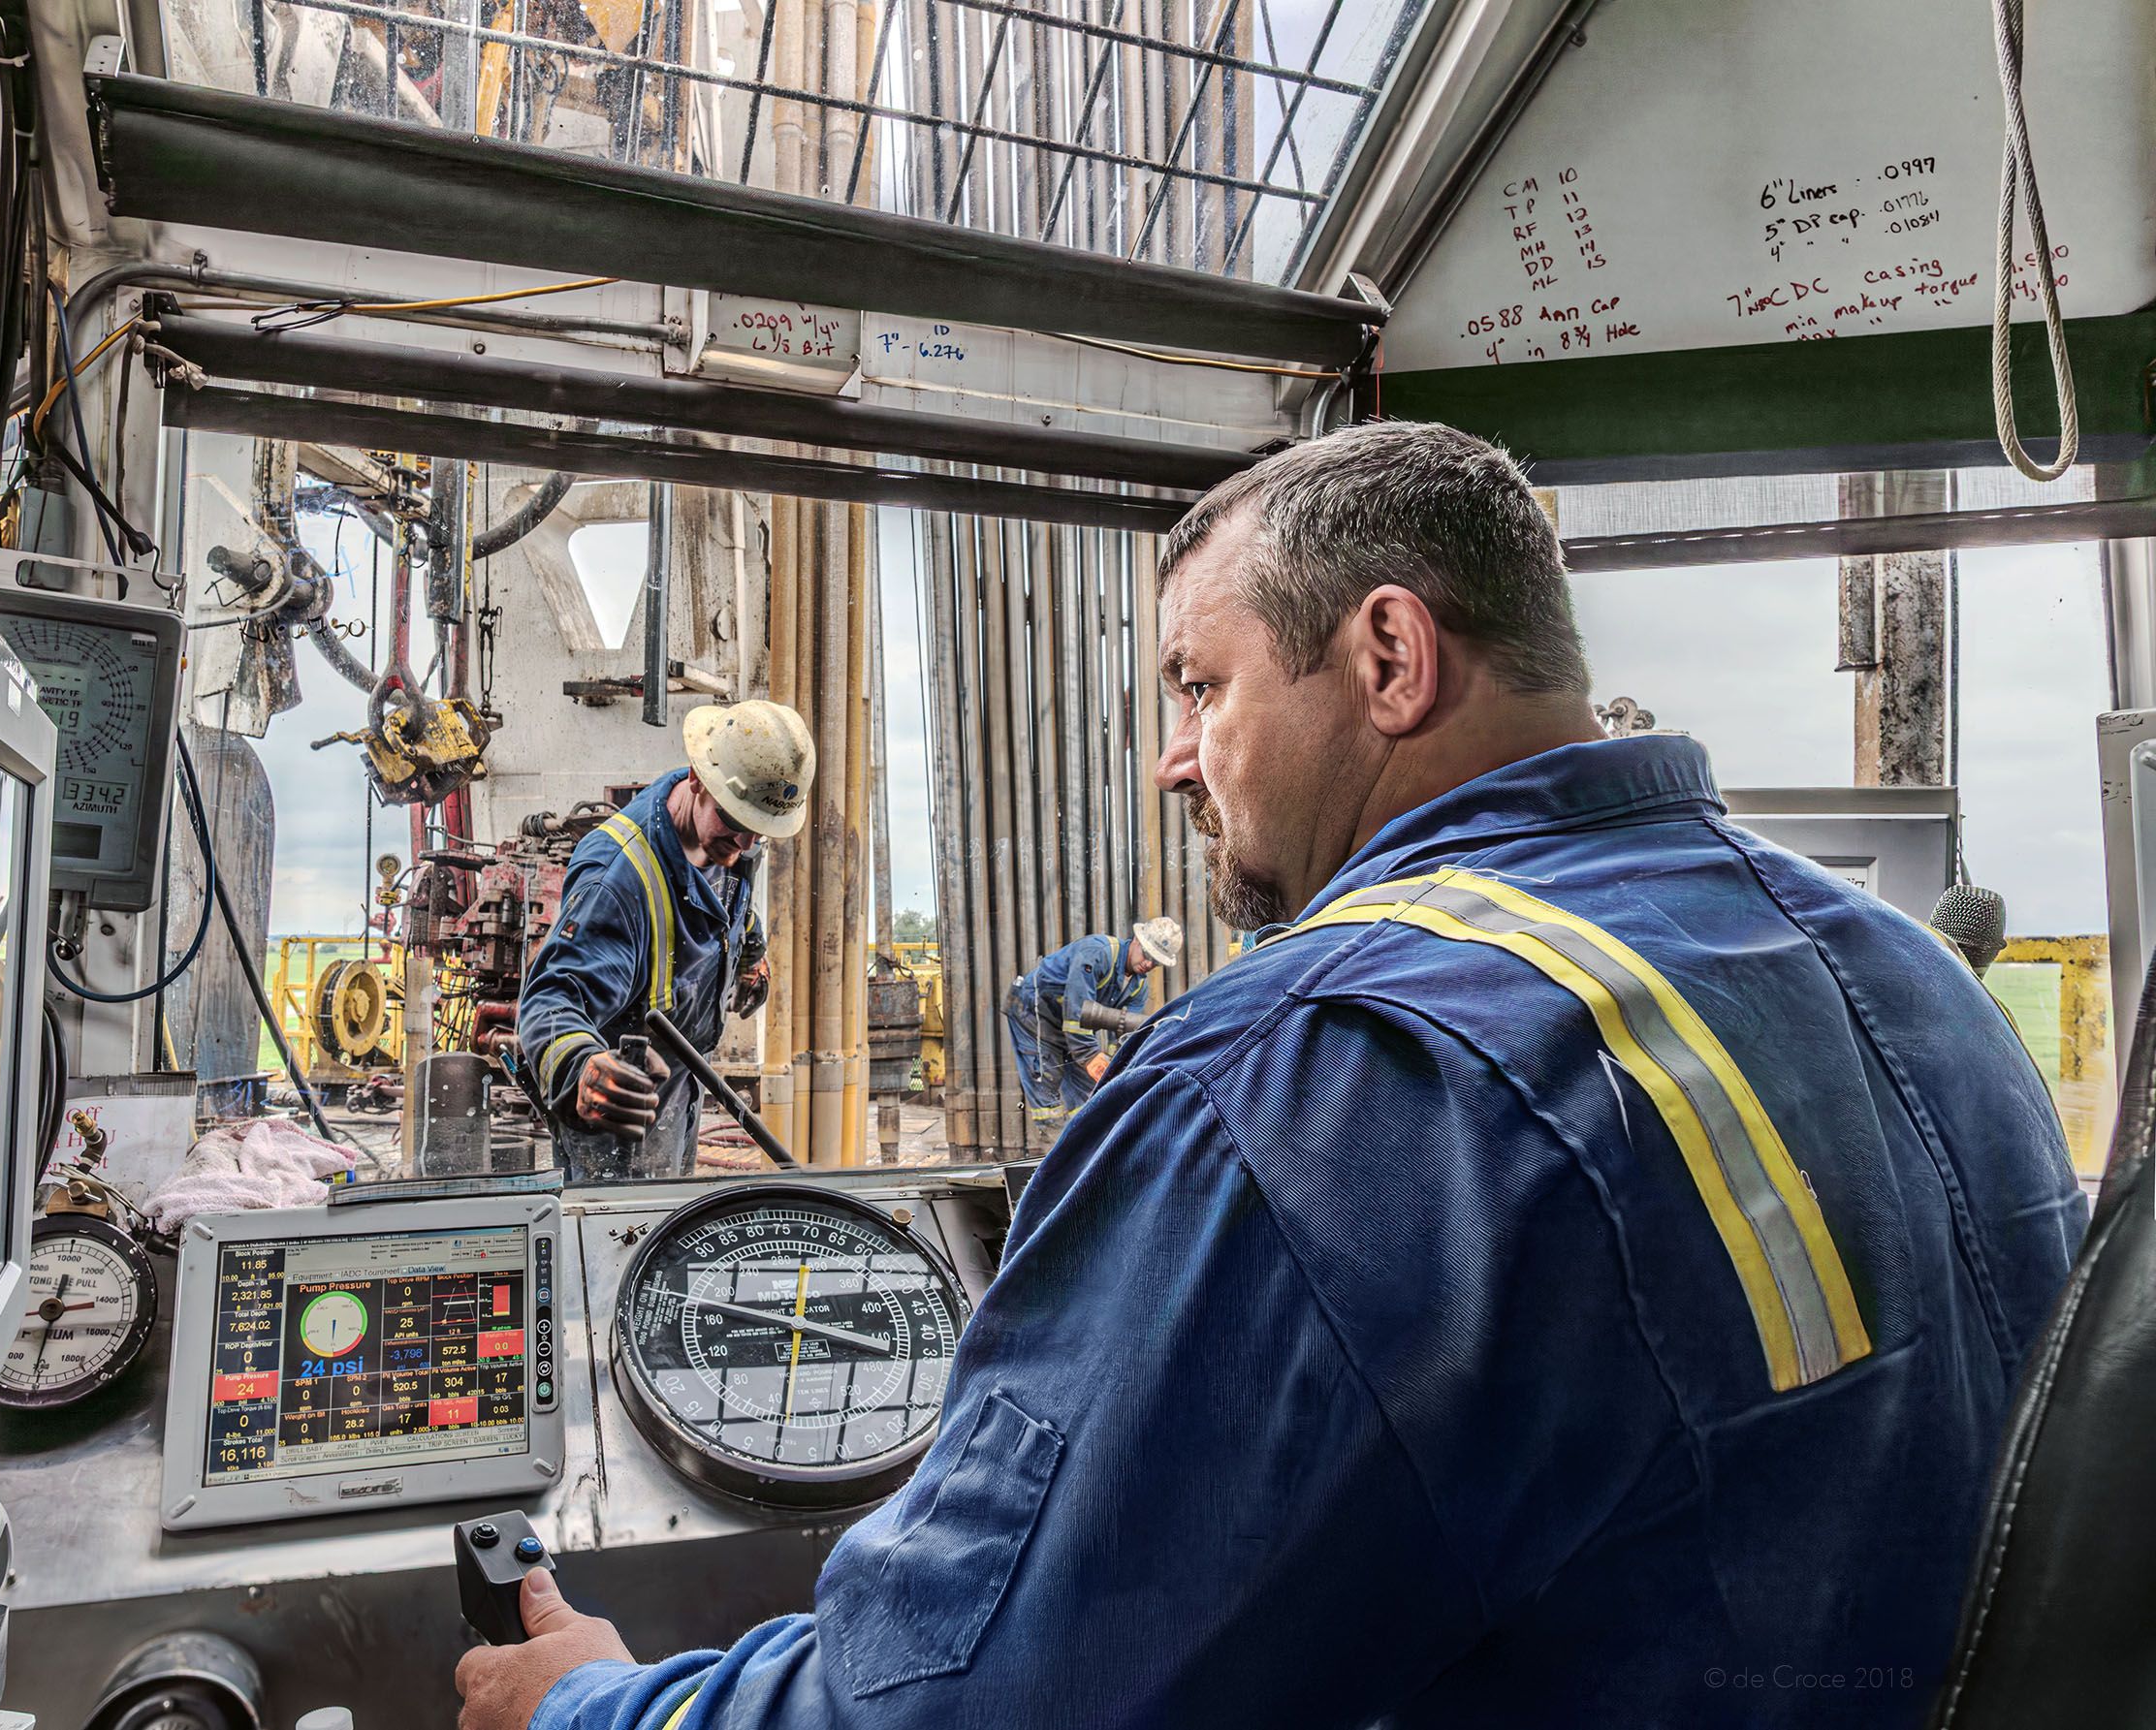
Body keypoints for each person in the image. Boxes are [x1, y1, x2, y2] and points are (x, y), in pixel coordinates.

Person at [457, 424, 2084, 1728]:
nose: (1172, 754)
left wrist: (598, 1705)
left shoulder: (1302, 1081)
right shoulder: (1911, 979)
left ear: (1387, 657)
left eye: (1200, 685)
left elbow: (970, 1693)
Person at [514, 699, 813, 1184]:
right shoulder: (617, 880)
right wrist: (582, 1068)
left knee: (673, 1239)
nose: (744, 848)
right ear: (697, 778)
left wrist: (750, 957)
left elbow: (733, 910)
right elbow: (551, 999)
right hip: (619, 1113)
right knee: (617, 1250)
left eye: (759, 834)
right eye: (736, 823)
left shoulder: (732, 840)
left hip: (681, 1086)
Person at [1004, 918, 1182, 1127]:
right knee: (1047, 1080)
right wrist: (1090, 1056)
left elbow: (1126, 1036)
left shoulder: (1137, 988)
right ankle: (1050, 1144)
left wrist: (1117, 1065)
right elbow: (1077, 1011)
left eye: (1156, 962)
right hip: (1034, 1011)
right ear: (1136, 940)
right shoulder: (1098, 952)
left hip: (1071, 1028)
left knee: (1087, 1093)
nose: (1149, 964)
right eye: (1147, 955)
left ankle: (1082, 1146)